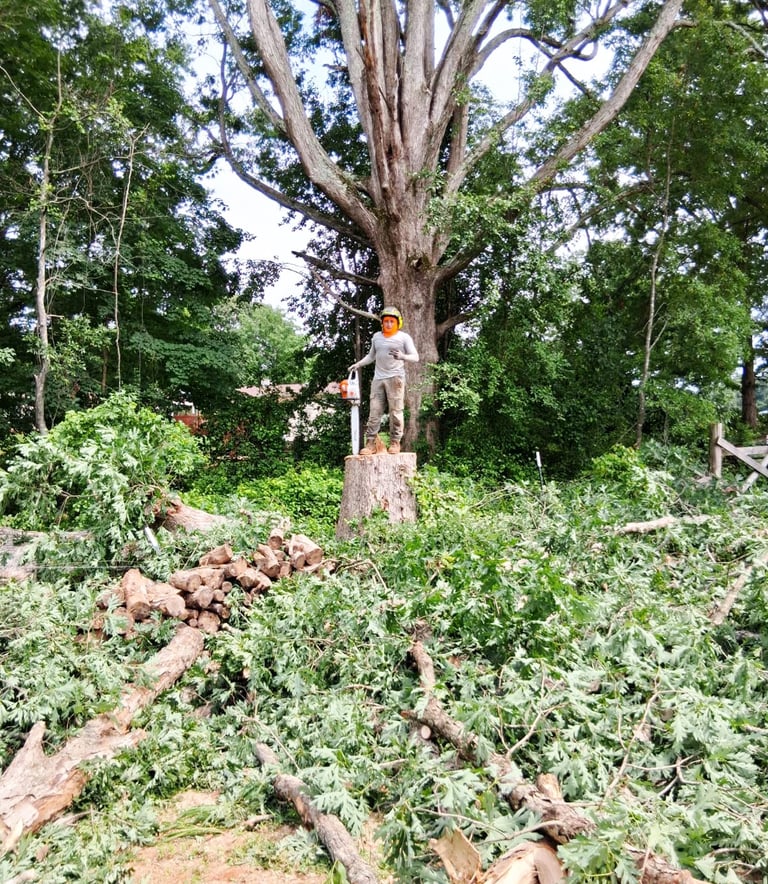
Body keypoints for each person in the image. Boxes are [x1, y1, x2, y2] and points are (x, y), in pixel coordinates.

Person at [349, 306, 419, 455]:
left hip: (395, 378)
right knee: (374, 411)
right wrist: (358, 364)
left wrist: (403, 356)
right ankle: (370, 443)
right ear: (382, 322)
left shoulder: (404, 337)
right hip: (378, 379)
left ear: (397, 323)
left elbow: (415, 357)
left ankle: (395, 442)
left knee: (396, 411)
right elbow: (371, 356)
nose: (388, 324)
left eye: (391, 322)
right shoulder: (376, 337)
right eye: (386, 321)